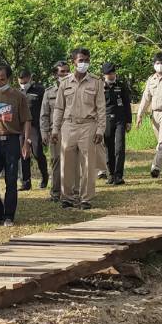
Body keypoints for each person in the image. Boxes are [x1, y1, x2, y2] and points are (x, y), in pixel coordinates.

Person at [52, 48, 106, 210]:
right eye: (80, 60)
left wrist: (100, 130)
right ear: (73, 62)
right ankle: (67, 197)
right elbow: (59, 108)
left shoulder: (96, 82)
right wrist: (55, 129)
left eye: (86, 60)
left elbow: (101, 108)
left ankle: (85, 199)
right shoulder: (65, 83)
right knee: (66, 163)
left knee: (88, 164)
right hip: (68, 126)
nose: (84, 63)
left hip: (88, 126)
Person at [0, 63, 32, 226]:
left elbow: (26, 121)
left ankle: (9, 215)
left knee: (11, 180)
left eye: (2, 79)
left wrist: (25, 142)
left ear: (9, 78)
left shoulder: (18, 96)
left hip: (12, 141)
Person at [102, 62, 136, 186]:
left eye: (112, 73)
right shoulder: (100, 87)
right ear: (104, 75)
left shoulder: (121, 86)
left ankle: (118, 175)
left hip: (120, 120)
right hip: (106, 120)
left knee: (119, 148)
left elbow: (127, 104)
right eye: (108, 74)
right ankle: (110, 174)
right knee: (108, 148)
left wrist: (129, 121)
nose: (111, 76)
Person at [43, 62, 66, 201]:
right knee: (56, 160)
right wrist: (44, 132)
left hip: (72, 129)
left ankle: (71, 192)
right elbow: (44, 114)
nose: (65, 74)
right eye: (62, 71)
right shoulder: (49, 92)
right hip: (55, 132)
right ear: (55, 74)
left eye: (67, 71)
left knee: (73, 162)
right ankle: (56, 192)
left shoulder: (73, 88)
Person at [20, 67, 47, 191]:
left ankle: (45, 176)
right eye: (21, 82)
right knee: (23, 154)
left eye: (25, 82)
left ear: (30, 78)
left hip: (35, 126)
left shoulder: (40, 90)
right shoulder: (16, 92)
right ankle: (26, 182)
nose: (23, 85)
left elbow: (45, 108)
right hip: (21, 127)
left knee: (37, 153)